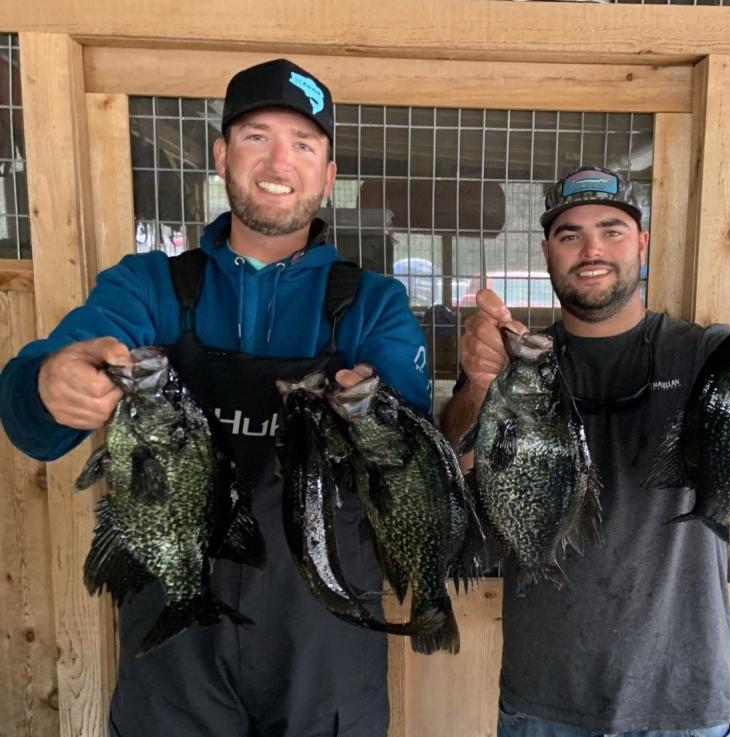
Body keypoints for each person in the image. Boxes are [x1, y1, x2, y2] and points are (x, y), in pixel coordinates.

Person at [0, 58, 430, 737]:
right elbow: (33, 421)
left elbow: (409, 469)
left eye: (303, 144)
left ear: (327, 174)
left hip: (323, 647)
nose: (277, 161)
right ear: (222, 154)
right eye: (256, 136)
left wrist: (378, 419)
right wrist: (47, 382)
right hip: (174, 651)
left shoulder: (372, 306)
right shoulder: (147, 287)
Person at [441, 166, 730, 737]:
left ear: (642, 244)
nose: (591, 250)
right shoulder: (517, 364)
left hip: (685, 703)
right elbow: (454, 460)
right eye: (569, 235)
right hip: (544, 701)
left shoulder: (704, 356)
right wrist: (479, 382)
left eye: (612, 230)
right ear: (547, 253)